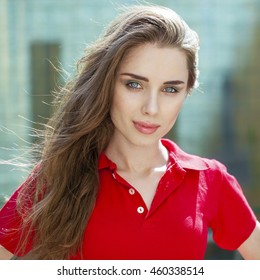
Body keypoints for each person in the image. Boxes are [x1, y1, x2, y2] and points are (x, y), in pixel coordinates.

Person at [0, 4, 259, 260]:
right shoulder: (59, 175)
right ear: (107, 84)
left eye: (170, 89)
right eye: (134, 84)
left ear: (186, 92)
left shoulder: (210, 179)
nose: (151, 108)